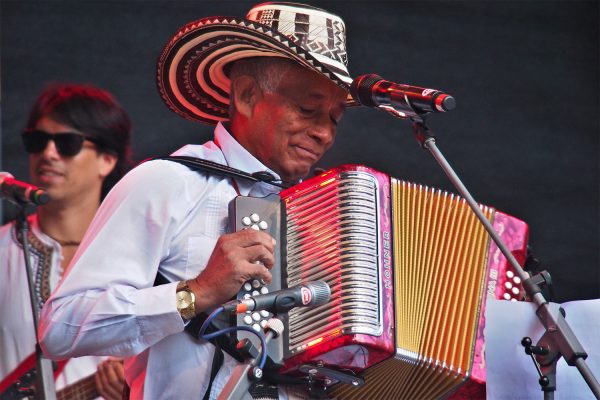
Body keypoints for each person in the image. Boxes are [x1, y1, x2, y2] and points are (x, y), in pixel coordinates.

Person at [39, 3, 352, 399]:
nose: (324, 133)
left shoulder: (326, 216)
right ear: (246, 95)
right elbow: (60, 329)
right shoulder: (167, 183)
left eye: (335, 118)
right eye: (308, 109)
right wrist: (197, 292)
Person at [0, 83, 132, 399]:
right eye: (37, 140)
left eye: (68, 143)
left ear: (107, 160)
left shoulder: (143, 255)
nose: (48, 153)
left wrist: (138, 379)